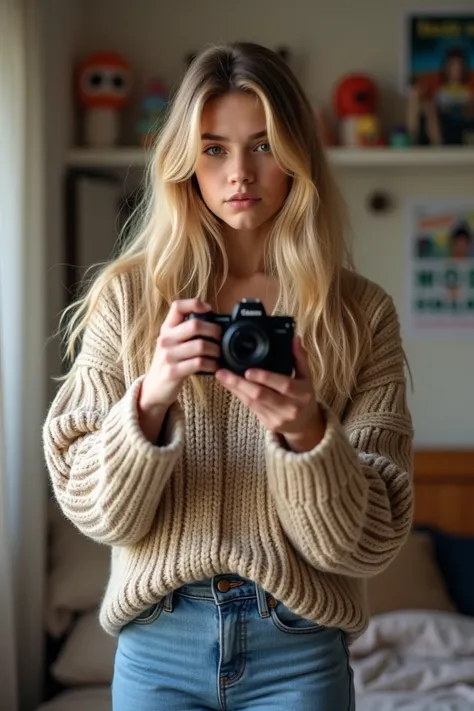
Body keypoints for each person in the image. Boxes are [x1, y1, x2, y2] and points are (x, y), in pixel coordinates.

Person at [43, 42, 414, 711]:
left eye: (264, 144)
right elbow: (94, 508)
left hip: (298, 644)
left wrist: (306, 434)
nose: (239, 171)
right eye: (213, 148)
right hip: (159, 643)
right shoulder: (130, 299)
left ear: (298, 152)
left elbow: (370, 540)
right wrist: (152, 397)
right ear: (185, 160)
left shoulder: (358, 314)